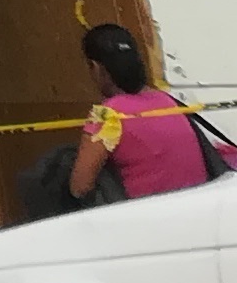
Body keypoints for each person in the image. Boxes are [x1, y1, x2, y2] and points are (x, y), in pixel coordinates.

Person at [53, 25, 217, 211]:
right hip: (198, 207)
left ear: (96, 67)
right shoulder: (167, 101)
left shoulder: (107, 115)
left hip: (148, 216)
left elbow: (80, 188)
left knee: (63, 161)